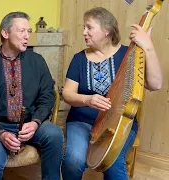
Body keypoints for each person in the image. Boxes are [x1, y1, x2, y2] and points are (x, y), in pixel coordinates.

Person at [61, 7, 163, 180]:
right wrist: (87, 99)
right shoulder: (79, 58)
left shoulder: (128, 54)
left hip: (118, 124)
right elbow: (68, 94)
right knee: (73, 160)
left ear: (106, 30)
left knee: (113, 161)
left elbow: (155, 84)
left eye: (89, 27)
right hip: (81, 121)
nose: (84, 32)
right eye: (83, 28)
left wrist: (148, 47)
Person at [0, 11, 63, 180]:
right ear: (5, 33)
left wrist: (36, 122)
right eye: (22, 31)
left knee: (54, 134)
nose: (27, 36)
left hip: (30, 124)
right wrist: (0, 133)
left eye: (29, 31)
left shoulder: (37, 61)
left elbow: (47, 96)